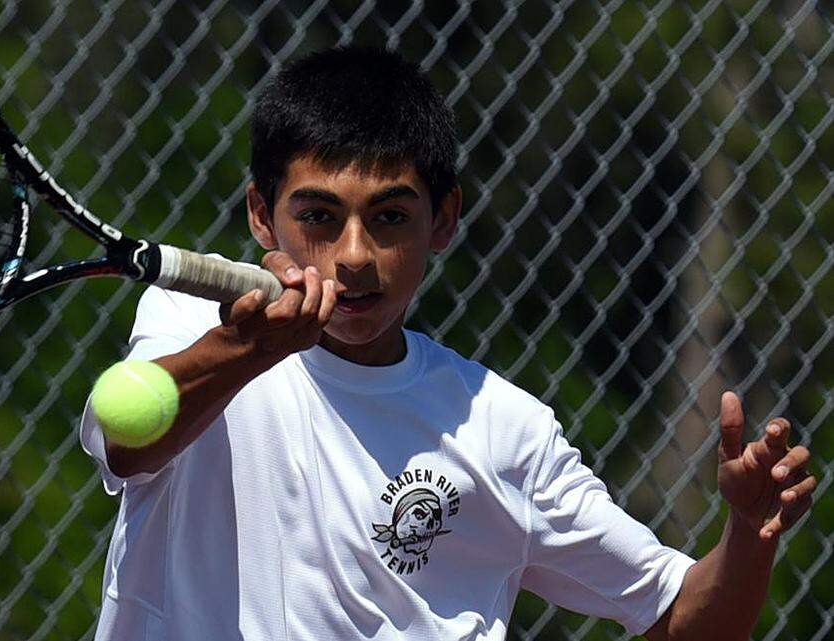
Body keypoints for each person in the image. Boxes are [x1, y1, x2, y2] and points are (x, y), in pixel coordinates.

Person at [80, 46, 815, 640]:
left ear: (444, 221)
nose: (355, 254)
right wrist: (250, 350)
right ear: (261, 216)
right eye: (320, 216)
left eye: (391, 217)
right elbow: (127, 444)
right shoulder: (190, 318)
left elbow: (684, 614)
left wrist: (749, 532)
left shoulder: (504, 428)